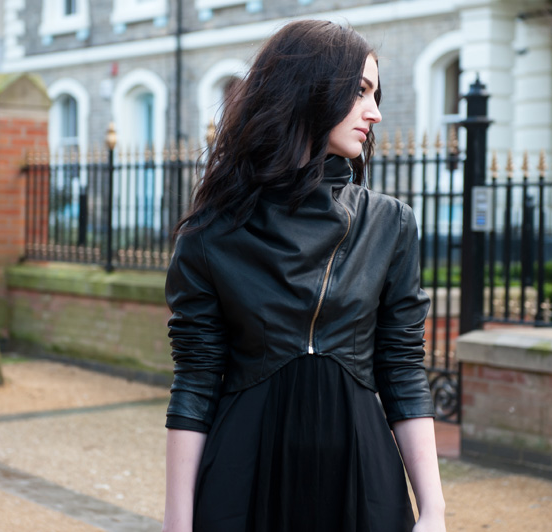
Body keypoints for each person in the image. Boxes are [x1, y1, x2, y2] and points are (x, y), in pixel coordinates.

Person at [162, 20, 446, 532]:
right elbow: (196, 381)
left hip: (360, 474)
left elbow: (402, 368)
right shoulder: (210, 235)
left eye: (375, 94)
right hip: (244, 474)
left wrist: (434, 510)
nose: (374, 112)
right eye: (360, 91)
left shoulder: (390, 223)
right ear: (310, 89)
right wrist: (177, 523)